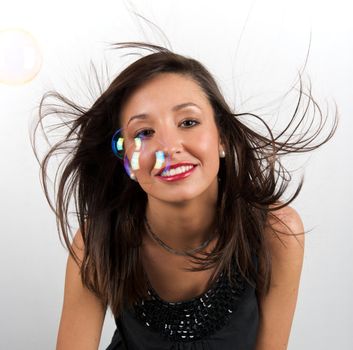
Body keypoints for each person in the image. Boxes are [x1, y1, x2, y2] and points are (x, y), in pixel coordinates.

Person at [31, 42, 338, 350]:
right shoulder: (97, 241)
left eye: (188, 122)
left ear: (223, 138)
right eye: (144, 133)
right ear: (127, 160)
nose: (169, 147)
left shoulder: (276, 231)